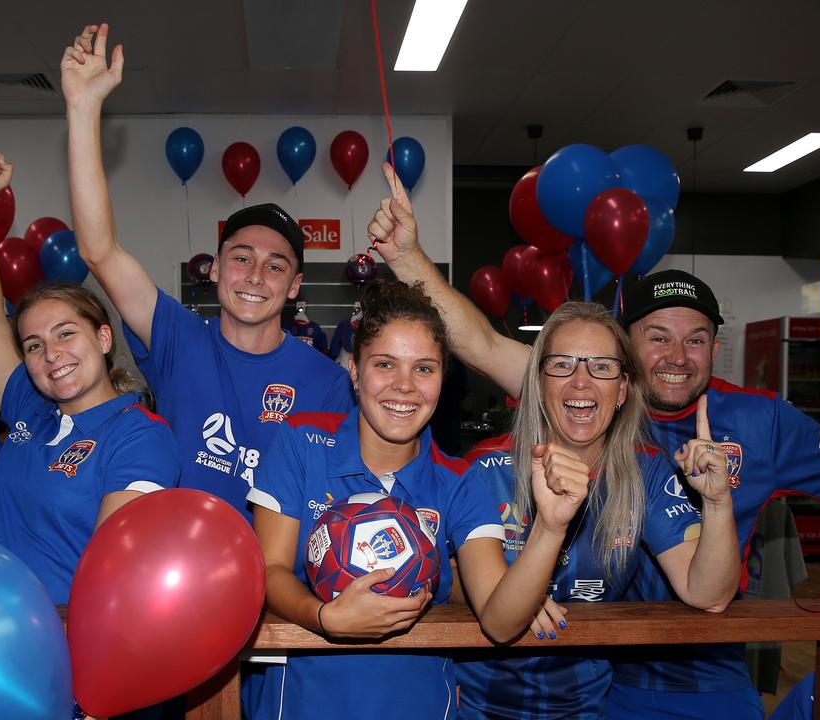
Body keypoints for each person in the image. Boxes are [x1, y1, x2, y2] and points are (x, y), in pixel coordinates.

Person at [364, 163, 820, 718]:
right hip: (571, 679)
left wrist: (724, 499)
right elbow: (480, 341)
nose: (677, 357)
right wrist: (406, 257)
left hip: (691, 670)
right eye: (658, 337)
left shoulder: (732, 430)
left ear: (621, 382)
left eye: (696, 339)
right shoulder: (535, 425)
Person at [248, 279, 594, 718]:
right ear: (354, 369)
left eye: (424, 368)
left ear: (442, 379)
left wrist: (551, 526)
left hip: (420, 703)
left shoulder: (459, 480)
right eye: (385, 364)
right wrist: (323, 618)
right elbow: (271, 570)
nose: (405, 386)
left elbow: (500, 620)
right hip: (302, 701)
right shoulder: (301, 443)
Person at [61, 23, 352, 519]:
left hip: (276, 588)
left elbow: (334, 504)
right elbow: (98, 250)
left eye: (275, 265)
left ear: (295, 286)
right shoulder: (179, 337)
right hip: (178, 577)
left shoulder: (328, 382)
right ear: (215, 269)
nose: (256, 275)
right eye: (241, 258)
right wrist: (84, 109)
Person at [454, 301, 739, 719]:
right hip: (476, 704)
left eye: (602, 367)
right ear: (538, 383)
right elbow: (465, 594)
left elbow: (709, 596)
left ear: (622, 389)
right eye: (563, 365)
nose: (582, 383)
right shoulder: (486, 468)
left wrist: (717, 502)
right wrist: (516, 590)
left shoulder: (646, 471)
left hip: (585, 706)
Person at [0, 146, 179, 604]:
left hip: (68, 645)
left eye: (65, 334)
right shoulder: (29, 414)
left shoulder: (140, 436)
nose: (51, 354)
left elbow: (112, 571)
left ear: (103, 338)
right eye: (34, 345)